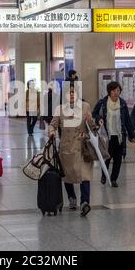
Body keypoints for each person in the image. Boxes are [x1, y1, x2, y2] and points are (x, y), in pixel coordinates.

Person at [49, 83, 94, 217]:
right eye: (69, 93)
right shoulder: (60, 109)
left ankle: (85, 202)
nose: (72, 95)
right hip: (67, 147)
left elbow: (92, 127)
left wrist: (92, 121)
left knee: (85, 176)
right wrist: (51, 132)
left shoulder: (86, 107)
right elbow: (53, 124)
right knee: (67, 175)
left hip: (82, 147)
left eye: (74, 92)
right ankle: (72, 198)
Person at [92, 82, 135, 187]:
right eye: (114, 91)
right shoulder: (102, 102)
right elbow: (94, 113)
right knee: (107, 158)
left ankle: (114, 179)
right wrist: (99, 119)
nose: (116, 93)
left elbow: (127, 120)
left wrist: (131, 134)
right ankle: (104, 175)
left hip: (120, 136)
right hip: (107, 136)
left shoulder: (123, 103)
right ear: (109, 92)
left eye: (118, 90)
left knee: (118, 159)